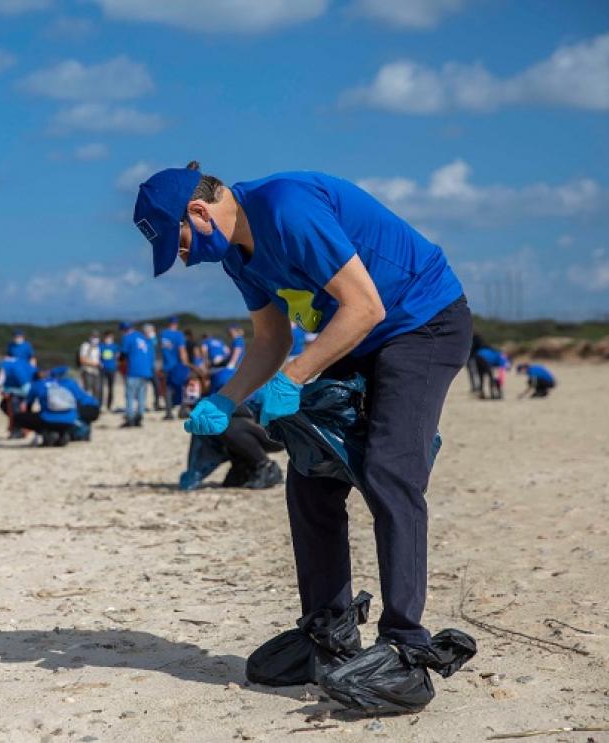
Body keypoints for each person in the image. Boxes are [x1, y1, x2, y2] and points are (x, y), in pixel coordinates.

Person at [132, 161, 473, 708]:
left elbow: (366, 306)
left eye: (179, 245)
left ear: (197, 212)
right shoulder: (240, 256)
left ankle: (407, 651)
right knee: (310, 472)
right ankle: (330, 637)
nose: (184, 258)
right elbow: (271, 339)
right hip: (357, 336)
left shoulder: (286, 209)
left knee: (390, 471)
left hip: (422, 323)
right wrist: (226, 398)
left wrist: (294, 379)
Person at [12, 369, 79, 446]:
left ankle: (46, 433)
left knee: (19, 417)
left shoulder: (37, 385)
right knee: (51, 417)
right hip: (70, 419)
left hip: (49, 419)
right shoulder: (61, 383)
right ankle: (62, 434)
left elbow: (28, 406)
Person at [0, 355, 36, 436]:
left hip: (32, 383)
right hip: (17, 389)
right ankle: (22, 424)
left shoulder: (15, 371)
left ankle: (19, 429)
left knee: (14, 402)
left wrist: (9, 390)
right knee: (4, 405)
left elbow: (27, 391)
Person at [50, 366, 101, 441]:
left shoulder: (63, 384)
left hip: (87, 407)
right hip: (93, 406)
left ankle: (81, 432)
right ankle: (84, 432)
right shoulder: (69, 382)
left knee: (70, 414)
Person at [119, 321, 155, 428]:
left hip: (134, 371)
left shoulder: (128, 337)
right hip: (146, 371)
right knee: (141, 396)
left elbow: (123, 355)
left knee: (130, 396)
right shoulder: (143, 337)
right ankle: (139, 417)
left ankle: (130, 419)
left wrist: (120, 360)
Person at [158, 316, 190, 420]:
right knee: (183, 388)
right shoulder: (178, 335)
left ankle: (168, 413)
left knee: (168, 389)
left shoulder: (162, 334)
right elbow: (182, 350)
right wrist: (186, 364)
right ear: (176, 324)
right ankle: (182, 411)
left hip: (166, 365)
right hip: (177, 366)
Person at [78, 331, 103, 401]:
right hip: (87, 371)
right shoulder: (85, 346)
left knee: (97, 390)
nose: (96, 339)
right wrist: (94, 363)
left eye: (97, 337)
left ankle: (95, 407)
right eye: (94, 337)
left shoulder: (98, 347)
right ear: (90, 337)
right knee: (88, 391)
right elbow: (82, 360)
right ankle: (87, 406)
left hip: (97, 371)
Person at [99, 330, 120, 412]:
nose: (109, 339)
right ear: (104, 338)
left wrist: (117, 363)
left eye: (110, 338)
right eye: (107, 338)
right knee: (100, 388)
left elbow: (118, 357)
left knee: (111, 388)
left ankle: (109, 405)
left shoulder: (115, 346)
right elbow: (98, 356)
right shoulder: (101, 346)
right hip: (102, 369)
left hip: (112, 369)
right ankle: (100, 404)